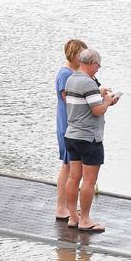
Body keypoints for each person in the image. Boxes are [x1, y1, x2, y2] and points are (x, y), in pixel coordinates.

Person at [61, 47, 119, 233]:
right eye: (98, 66)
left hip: (72, 135)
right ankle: (85, 220)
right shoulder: (88, 83)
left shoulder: (71, 79)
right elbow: (97, 110)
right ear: (92, 64)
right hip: (89, 138)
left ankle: (73, 217)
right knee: (89, 180)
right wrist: (108, 101)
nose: (98, 70)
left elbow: (85, 103)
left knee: (73, 176)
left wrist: (100, 96)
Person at [54, 39, 87, 222]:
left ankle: (69, 206)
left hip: (72, 126)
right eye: (81, 55)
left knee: (72, 167)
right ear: (73, 55)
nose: (83, 59)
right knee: (68, 166)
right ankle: (61, 207)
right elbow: (70, 101)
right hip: (67, 126)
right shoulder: (65, 75)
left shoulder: (73, 73)